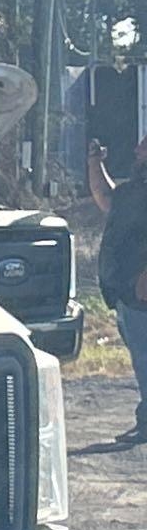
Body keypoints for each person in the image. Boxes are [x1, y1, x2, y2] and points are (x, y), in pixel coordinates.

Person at [90, 136, 147, 444]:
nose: (136, 150)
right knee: (142, 358)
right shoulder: (135, 191)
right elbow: (105, 197)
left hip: (142, 290)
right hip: (127, 292)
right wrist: (95, 163)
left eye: (144, 146)